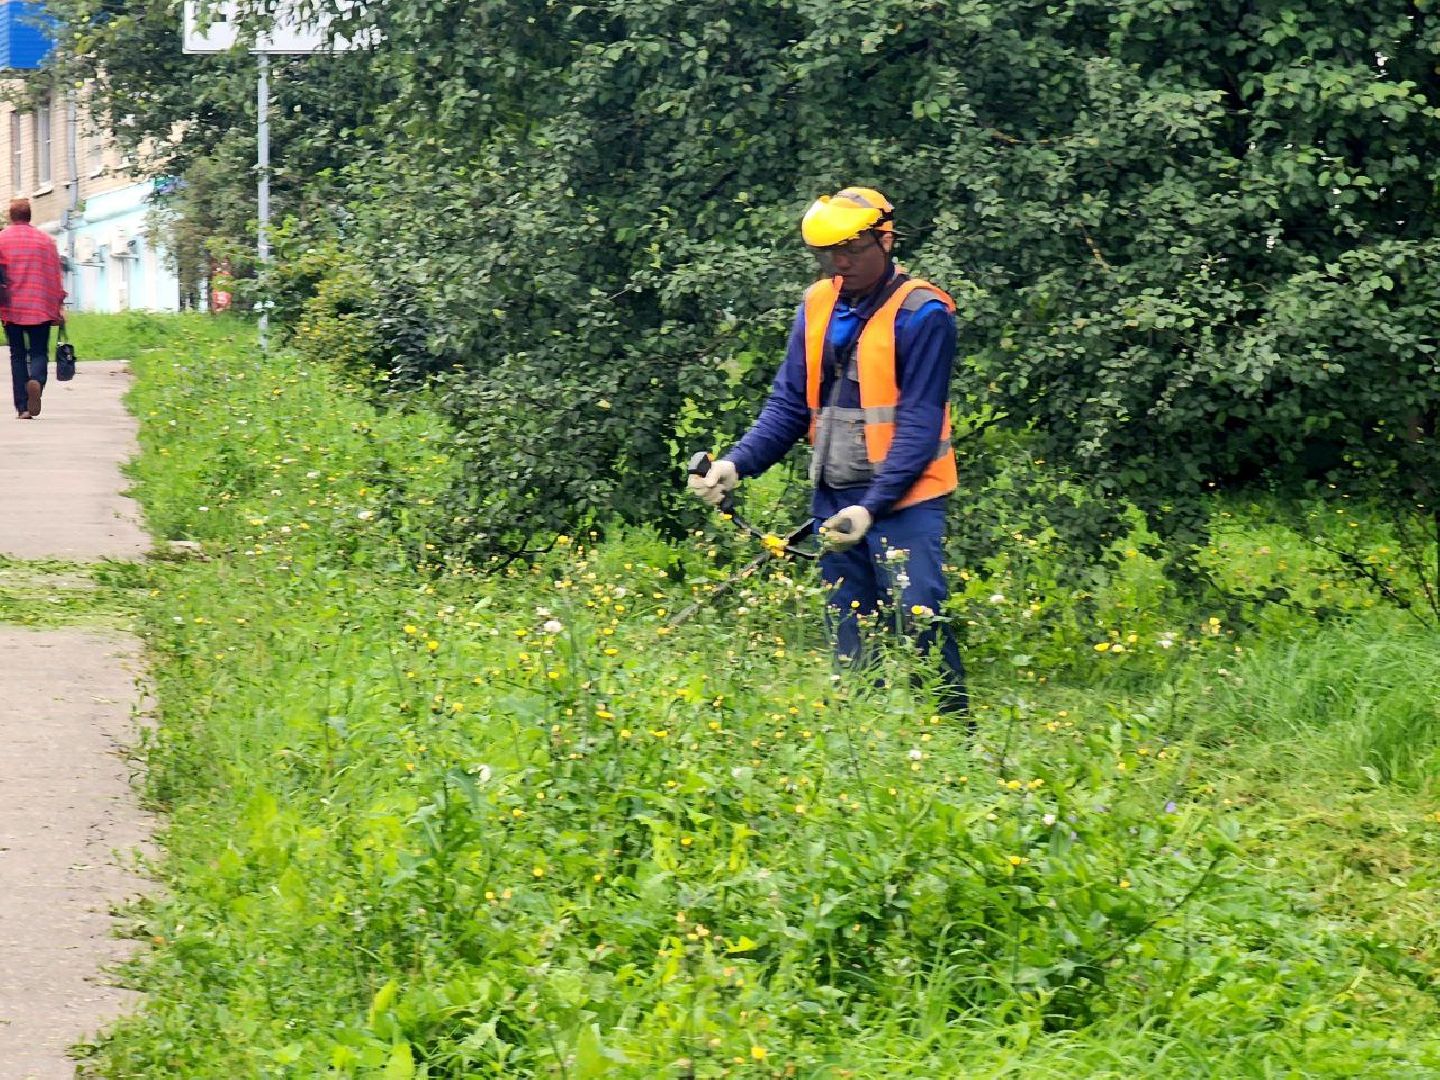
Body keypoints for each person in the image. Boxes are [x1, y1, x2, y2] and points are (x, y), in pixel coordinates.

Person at [689, 186, 968, 716]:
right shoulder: (818, 303)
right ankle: (860, 742)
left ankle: (956, 737)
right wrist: (734, 464)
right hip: (834, 493)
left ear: (886, 241)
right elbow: (789, 405)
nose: (840, 262)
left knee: (920, 613)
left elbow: (919, 425)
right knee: (850, 626)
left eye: (853, 249)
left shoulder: (923, 313)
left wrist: (872, 507)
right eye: (828, 252)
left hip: (905, 502)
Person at [0, 198, 66, 420]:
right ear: (29, 216)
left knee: (17, 354)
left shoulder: (2, 240)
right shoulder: (46, 241)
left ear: (11, 216)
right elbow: (55, 276)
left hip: (12, 308)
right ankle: (36, 380)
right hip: (40, 307)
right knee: (39, 351)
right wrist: (59, 304)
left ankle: (23, 408)